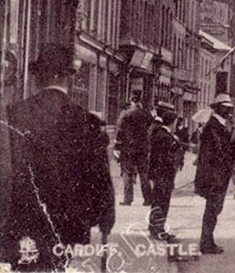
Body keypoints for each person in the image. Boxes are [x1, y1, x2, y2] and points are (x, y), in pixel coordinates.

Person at [1, 43, 115, 272]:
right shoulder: (86, 121)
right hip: (66, 224)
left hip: (21, 221)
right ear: (68, 78)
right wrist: (105, 217)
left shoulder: (13, 115)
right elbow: (100, 177)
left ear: (36, 78)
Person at [195, 93, 235, 254]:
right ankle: (206, 243)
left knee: (215, 209)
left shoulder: (221, 125)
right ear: (218, 109)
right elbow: (218, 151)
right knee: (212, 209)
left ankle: (208, 240)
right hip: (214, 175)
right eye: (226, 108)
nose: (229, 111)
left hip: (219, 174)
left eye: (229, 108)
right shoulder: (213, 126)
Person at [147, 101, 180, 241]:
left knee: (158, 202)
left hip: (159, 174)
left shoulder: (161, 134)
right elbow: (164, 158)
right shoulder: (165, 137)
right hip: (163, 175)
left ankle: (154, 228)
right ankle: (158, 230)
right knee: (162, 202)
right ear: (172, 123)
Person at [114, 91, 154, 206]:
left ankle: (128, 199)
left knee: (127, 173)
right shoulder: (145, 114)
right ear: (139, 100)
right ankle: (148, 199)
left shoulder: (126, 114)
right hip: (142, 148)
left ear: (131, 99)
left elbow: (119, 130)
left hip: (128, 148)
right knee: (143, 173)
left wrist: (117, 146)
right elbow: (150, 126)